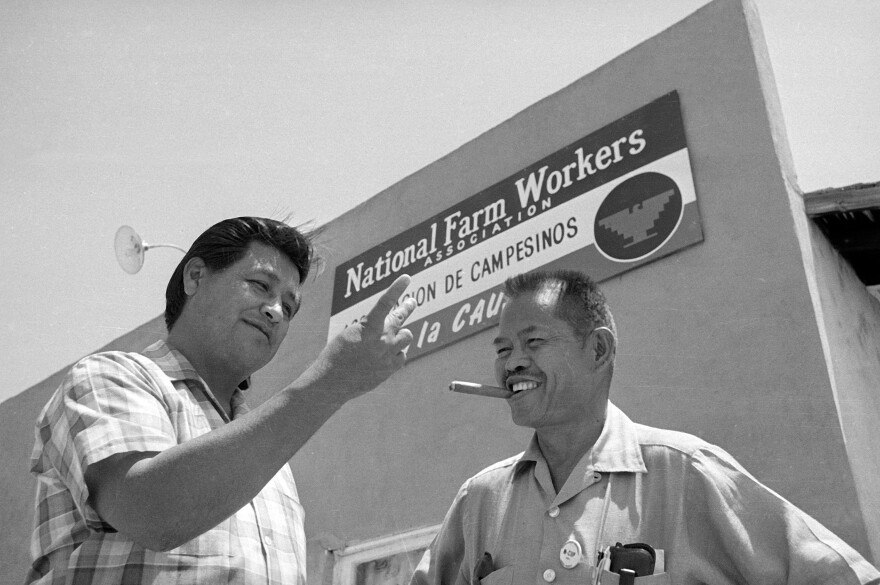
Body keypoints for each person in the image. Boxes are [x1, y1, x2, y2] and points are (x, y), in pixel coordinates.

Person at [411, 270, 880, 585]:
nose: (512, 362)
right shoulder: (480, 501)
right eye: (501, 349)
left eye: (533, 341)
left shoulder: (686, 473)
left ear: (598, 350)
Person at [26, 217, 417, 585]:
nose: (275, 310)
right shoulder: (111, 377)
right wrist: (330, 382)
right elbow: (151, 512)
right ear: (195, 276)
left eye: (289, 306)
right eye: (260, 285)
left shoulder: (273, 467)